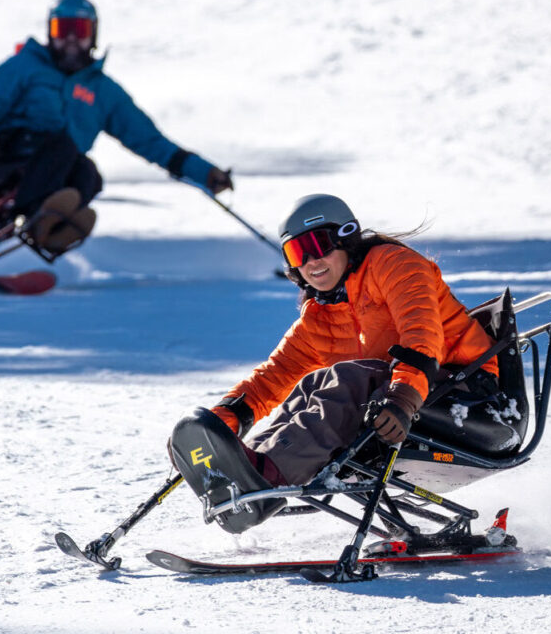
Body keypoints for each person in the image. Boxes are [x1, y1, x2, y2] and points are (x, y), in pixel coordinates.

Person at [169, 193, 502, 534]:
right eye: (298, 252)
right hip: (402, 400)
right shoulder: (321, 314)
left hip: (468, 398)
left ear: (347, 238)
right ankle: (244, 472)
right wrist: (219, 427)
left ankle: (268, 474)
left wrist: (403, 398)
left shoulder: (394, 264)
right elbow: (270, 379)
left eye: (320, 245)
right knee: (312, 386)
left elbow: (422, 338)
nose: (313, 261)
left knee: (347, 380)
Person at [0, 0, 233, 254]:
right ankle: (38, 214)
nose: (69, 40)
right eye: (61, 29)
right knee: (63, 146)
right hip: (1, 172)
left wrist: (204, 173)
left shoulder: (102, 91)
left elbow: (149, 140)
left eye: (78, 30)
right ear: (49, 32)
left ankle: (52, 227)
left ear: (93, 35)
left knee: (88, 174)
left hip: (57, 174)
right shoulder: (24, 67)